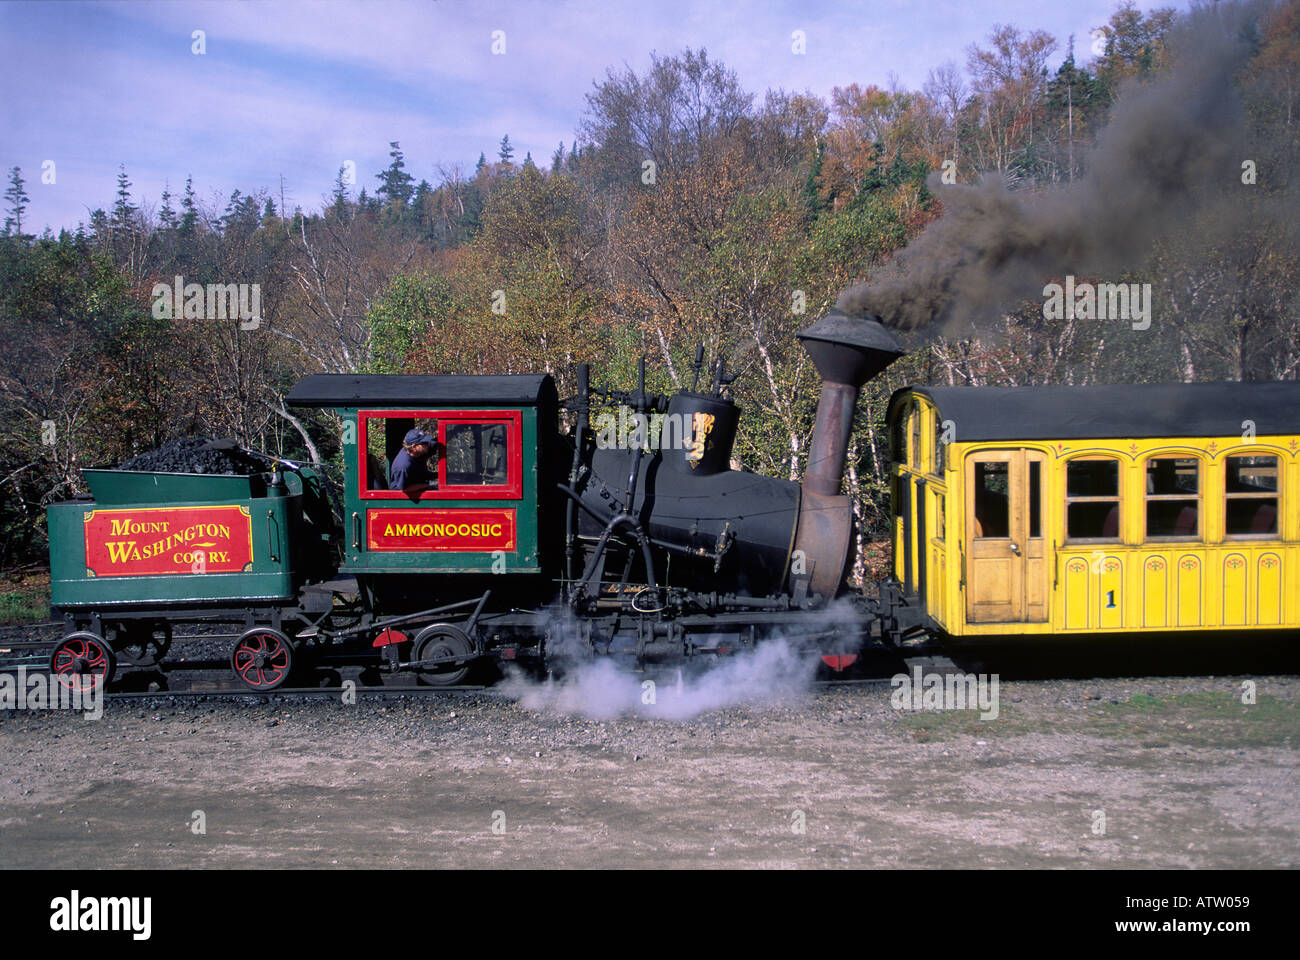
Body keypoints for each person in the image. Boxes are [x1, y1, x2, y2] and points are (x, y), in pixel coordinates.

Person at [389, 428, 443, 497]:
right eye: (424, 442)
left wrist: (455, 430)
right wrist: (429, 485)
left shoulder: (421, 449)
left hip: (419, 485)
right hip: (402, 500)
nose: (428, 443)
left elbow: (440, 441)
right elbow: (405, 489)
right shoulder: (403, 465)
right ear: (414, 446)